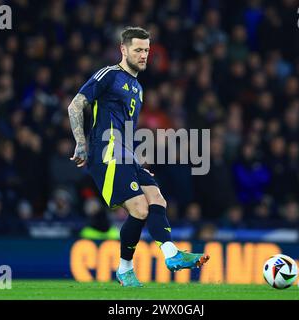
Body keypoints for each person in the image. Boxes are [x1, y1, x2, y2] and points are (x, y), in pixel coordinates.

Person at [67, 27, 209, 287]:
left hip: (126, 154)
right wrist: (80, 142)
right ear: (123, 50)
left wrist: (135, 160)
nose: (144, 55)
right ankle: (130, 267)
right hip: (107, 153)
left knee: (157, 199)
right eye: (138, 50)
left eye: (146, 50)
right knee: (140, 208)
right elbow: (76, 104)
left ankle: (165, 256)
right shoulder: (109, 75)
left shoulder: (138, 88)